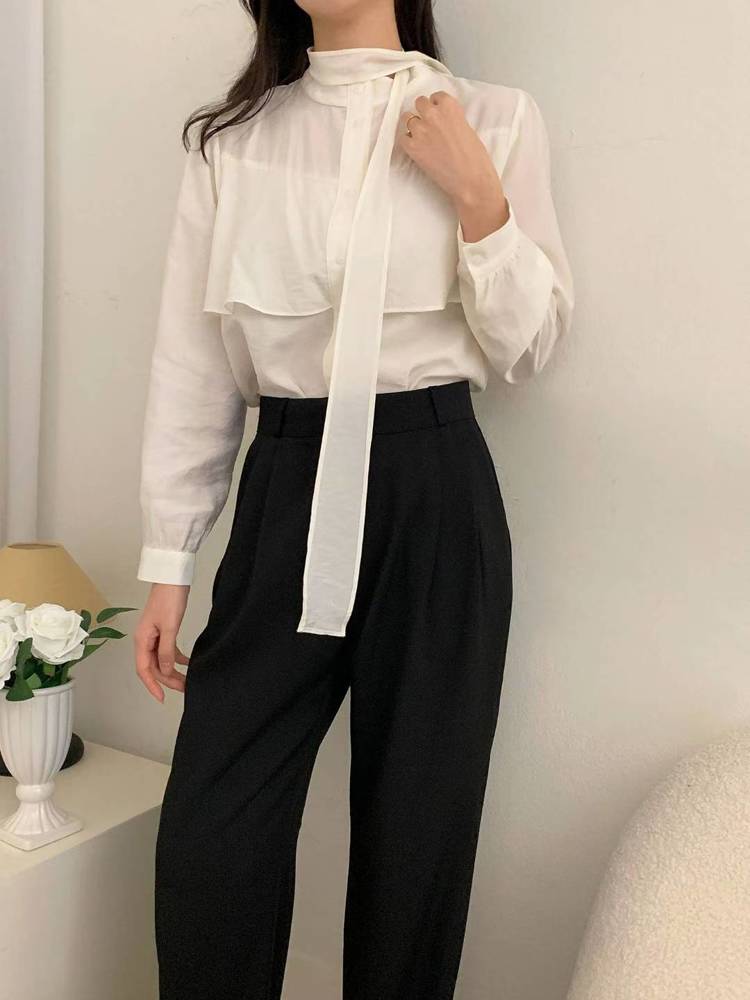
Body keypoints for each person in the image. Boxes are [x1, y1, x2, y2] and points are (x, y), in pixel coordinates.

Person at [133, 0, 574, 997]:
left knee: (419, 830)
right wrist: (170, 557)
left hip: (435, 487)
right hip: (285, 482)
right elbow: (192, 365)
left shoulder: (492, 117)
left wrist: (477, 195)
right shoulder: (234, 144)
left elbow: (528, 347)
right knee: (214, 826)